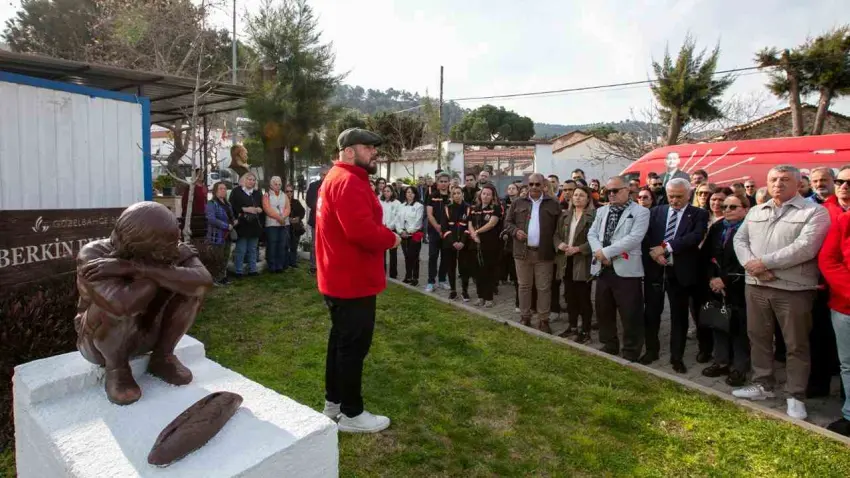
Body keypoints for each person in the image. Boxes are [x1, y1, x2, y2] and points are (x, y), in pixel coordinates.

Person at [75, 202, 213, 405]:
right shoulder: (93, 255)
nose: (174, 250)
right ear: (139, 248)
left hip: (147, 332)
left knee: (190, 291)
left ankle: (162, 357)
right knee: (113, 304)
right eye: (164, 249)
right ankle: (117, 369)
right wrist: (161, 271)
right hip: (100, 346)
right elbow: (122, 305)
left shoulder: (168, 250)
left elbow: (204, 282)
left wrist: (137, 268)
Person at [316, 128, 400, 433]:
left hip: (340, 277)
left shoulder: (336, 178)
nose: (374, 152)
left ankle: (333, 404)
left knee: (340, 343)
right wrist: (391, 239)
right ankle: (352, 414)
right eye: (368, 147)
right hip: (352, 280)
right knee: (352, 347)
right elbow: (361, 232)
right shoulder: (349, 181)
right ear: (349, 151)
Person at [732, 165, 831, 420]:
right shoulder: (755, 210)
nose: (778, 184)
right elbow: (739, 240)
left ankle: (795, 395)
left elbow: (805, 248)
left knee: (795, 343)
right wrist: (751, 265)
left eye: (785, 179)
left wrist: (763, 263)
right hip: (756, 285)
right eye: (773, 179)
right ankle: (763, 383)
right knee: (758, 337)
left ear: (798, 184)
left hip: (793, 289)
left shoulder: (814, 212)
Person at [641, 178, 710, 373]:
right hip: (655, 270)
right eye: (671, 196)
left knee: (679, 316)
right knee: (652, 313)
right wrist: (655, 254)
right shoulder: (656, 212)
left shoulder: (699, 214)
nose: (674, 200)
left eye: (679, 197)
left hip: (681, 272)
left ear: (689, 195)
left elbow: (695, 236)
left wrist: (665, 248)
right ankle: (651, 350)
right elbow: (645, 236)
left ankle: (676, 357)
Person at [588, 176, 650, 361]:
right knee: (603, 308)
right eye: (608, 191)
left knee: (630, 312)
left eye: (615, 191)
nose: (611, 194)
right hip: (603, 268)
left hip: (626, 269)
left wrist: (606, 252)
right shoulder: (602, 211)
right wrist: (599, 252)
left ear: (627, 190)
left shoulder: (640, 212)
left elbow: (634, 238)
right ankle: (609, 343)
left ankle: (631, 350)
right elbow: (592, 233)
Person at [701, 192, 751, 386]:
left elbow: (747, 259)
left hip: (738, 285)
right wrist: (712, 278)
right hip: (715, 286)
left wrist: (725, 280)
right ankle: (720, 361)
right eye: (725, 207)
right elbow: (707, 255)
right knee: (719, 323)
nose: (727, 210)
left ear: (745, 209)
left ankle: (739, 367)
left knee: (739, 328)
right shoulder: (717, 227)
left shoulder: (750, 229)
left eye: (733, 207)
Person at [503, 173, 562, 333]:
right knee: (524, 286)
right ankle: (525, 316)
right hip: (522, 253)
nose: (534, 187)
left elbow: (559, 228)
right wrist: (516, 231)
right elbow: (507, 223)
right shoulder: (517, 202)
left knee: (543, 287)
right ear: (527, 185)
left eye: (538, 184)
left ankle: (543, 319)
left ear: (543, 185)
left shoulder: (553, 204)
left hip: (544, 253)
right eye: (531, 184)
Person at [818, 192, 850, 436]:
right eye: (841, 182)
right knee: (848, 364)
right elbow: (829, 260)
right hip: (845, 306)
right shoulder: (844, 220)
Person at [554, 185, 596, 343]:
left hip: (582, 261)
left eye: (582, 195)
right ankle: (572, 326)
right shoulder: (565, 215)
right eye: (576, 195)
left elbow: (595, 239)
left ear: (587, 199)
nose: (577, 197)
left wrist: (578, 249)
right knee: (570, 296)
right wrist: (560, 245)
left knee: (583, 297)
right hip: (566, 260)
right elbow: (556, 235)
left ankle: (585, 331)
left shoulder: (593, 216)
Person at [470, 184, 502, 307]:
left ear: (492, 196)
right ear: (480, 194)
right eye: (484, 193)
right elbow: (469, 223)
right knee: (478, 272)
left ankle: (489, 298)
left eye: (489, 194)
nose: (485, 196)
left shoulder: (496, 208)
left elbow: (492, 223)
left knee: (488, 271)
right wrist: (473, 235)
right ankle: (480, 297)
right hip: (476, 244)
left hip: (490, 245)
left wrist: (477, 232)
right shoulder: (475, 208)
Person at [440, 186, 474, 301]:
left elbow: (469, 227)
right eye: (454, 193)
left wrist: (463, 242)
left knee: (464, 268)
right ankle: (453, 290)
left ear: (462, 194)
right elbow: (444, 228)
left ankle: (465, 291)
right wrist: (453, 242)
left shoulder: (469, 208)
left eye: (458, 193)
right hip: (450, 244)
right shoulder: (447, 208)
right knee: (451, 267)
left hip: (465, 244)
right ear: (451, 195)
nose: (456, 195)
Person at [229, 172, 264, 278]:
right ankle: (238, 271)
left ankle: (253, 270)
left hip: (254, 225)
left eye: (253, 180)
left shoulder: (257, 193)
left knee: (253, 249)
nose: (251, 182)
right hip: (242, 224)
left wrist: (258, 209)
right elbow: (232, 206)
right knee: (241, 249)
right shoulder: (236, 191)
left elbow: (262, 206)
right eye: (249, 179)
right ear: (244, 180)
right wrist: (245, 209)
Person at [426, 172, 452, 292]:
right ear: (437, 182)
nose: (443, 184)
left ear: (449, 182)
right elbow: (429, 214)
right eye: (441, 181)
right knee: (433, 256)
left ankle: (442, 280)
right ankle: (431, 281)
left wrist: (445, 230)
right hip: (434, 231)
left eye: (445, 181)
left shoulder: (452, 196)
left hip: (448, 233)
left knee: (446, 257)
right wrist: (437, 227)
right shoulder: (432, 196)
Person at [206, 181, 235, 286]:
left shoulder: (228, 204)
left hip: (227, 235)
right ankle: (215, 278)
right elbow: (211, 219)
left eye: (225, 189)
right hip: (217, 235)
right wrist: (225, 226)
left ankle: (222, 276)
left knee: (226, 257)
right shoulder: (211, 204)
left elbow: (231, 216)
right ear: (215, 191)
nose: (223, 190)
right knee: (217, 257)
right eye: (221, 189)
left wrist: (233, 222)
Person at [263, 176, 291, 274]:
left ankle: (280, 265)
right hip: (272, 224)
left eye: (279, 184)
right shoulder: (266, 195)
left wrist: (283, 217)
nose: (277, 186)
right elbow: (267, 209)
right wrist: (279, 218)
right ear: (271, 185)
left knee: (282, 245)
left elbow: (288, 208)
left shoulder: (284, 195)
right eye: (275, 184)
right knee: (272, 244)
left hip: (283, 224)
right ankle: (272, 266)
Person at [398, 186, 424, 285]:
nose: (409, 194)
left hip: (414, 234)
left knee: (414, 256)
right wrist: (401, 231)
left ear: (415, 194)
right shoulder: (402, 205)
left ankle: (415, 277)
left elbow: (418, 222)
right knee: (407, 256)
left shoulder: (418, 206)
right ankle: (408, 276)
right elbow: (398, 219)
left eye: (412, 192)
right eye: (408, 192)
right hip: (403, 234)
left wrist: (408, 232)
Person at [306, 165, 329, 274]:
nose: (325, 177)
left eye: (327, 174)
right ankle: (313, 266)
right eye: (323, 174)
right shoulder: (313, 186)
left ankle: (326, 266)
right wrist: (321, 207)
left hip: (329, 221)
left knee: (327, 245)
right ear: (320, 175)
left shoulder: (332, 185)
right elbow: (309, 201)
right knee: (315, 244)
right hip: (316, 219)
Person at [380, 184, 401, 279]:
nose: (386, 193)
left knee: (393, 253)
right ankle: (382, 272)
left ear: (392, 192)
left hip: (392, 229)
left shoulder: (397, 203)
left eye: (388, 191)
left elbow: (397, 216)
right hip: (382, 229)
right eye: (384, 191)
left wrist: (390, 226)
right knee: (382, 253)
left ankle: (393, 274)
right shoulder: (380, 202)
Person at [501, 183, 520, 286]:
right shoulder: (503, 203)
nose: (511, 190)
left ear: (518, 191)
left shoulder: (520, 202)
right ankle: (503, 277)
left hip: (515, 232)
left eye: (513, 188)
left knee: (513, 256)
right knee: (504, 256)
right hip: (504, 232)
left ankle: (513, 278)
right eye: (509, 188)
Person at [286, 184, 306, 268]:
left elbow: (302, 211)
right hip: (286, 226)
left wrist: (298, 218)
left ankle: (293, 262)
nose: (289, 193)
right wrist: (288, 219)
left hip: (295, 227)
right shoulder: (282, 201)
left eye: (291, 191)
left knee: (294, 245)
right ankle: (286, 262)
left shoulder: (296, 202)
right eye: (287, 191)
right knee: (285, 245)